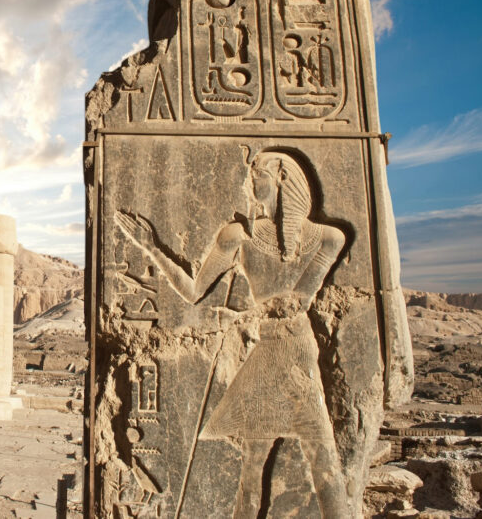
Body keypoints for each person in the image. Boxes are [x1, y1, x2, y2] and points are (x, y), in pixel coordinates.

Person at [114, 149, 349, 517]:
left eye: (257, 176)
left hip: (296, 350)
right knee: (252, 464)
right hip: (266, 351)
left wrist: (238, 317)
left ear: (282, 180)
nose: (248, 183)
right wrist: (152, 247)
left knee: (322, 458)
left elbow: (295, 302)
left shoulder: (327, 238)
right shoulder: (236, 237)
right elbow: (193, 292)